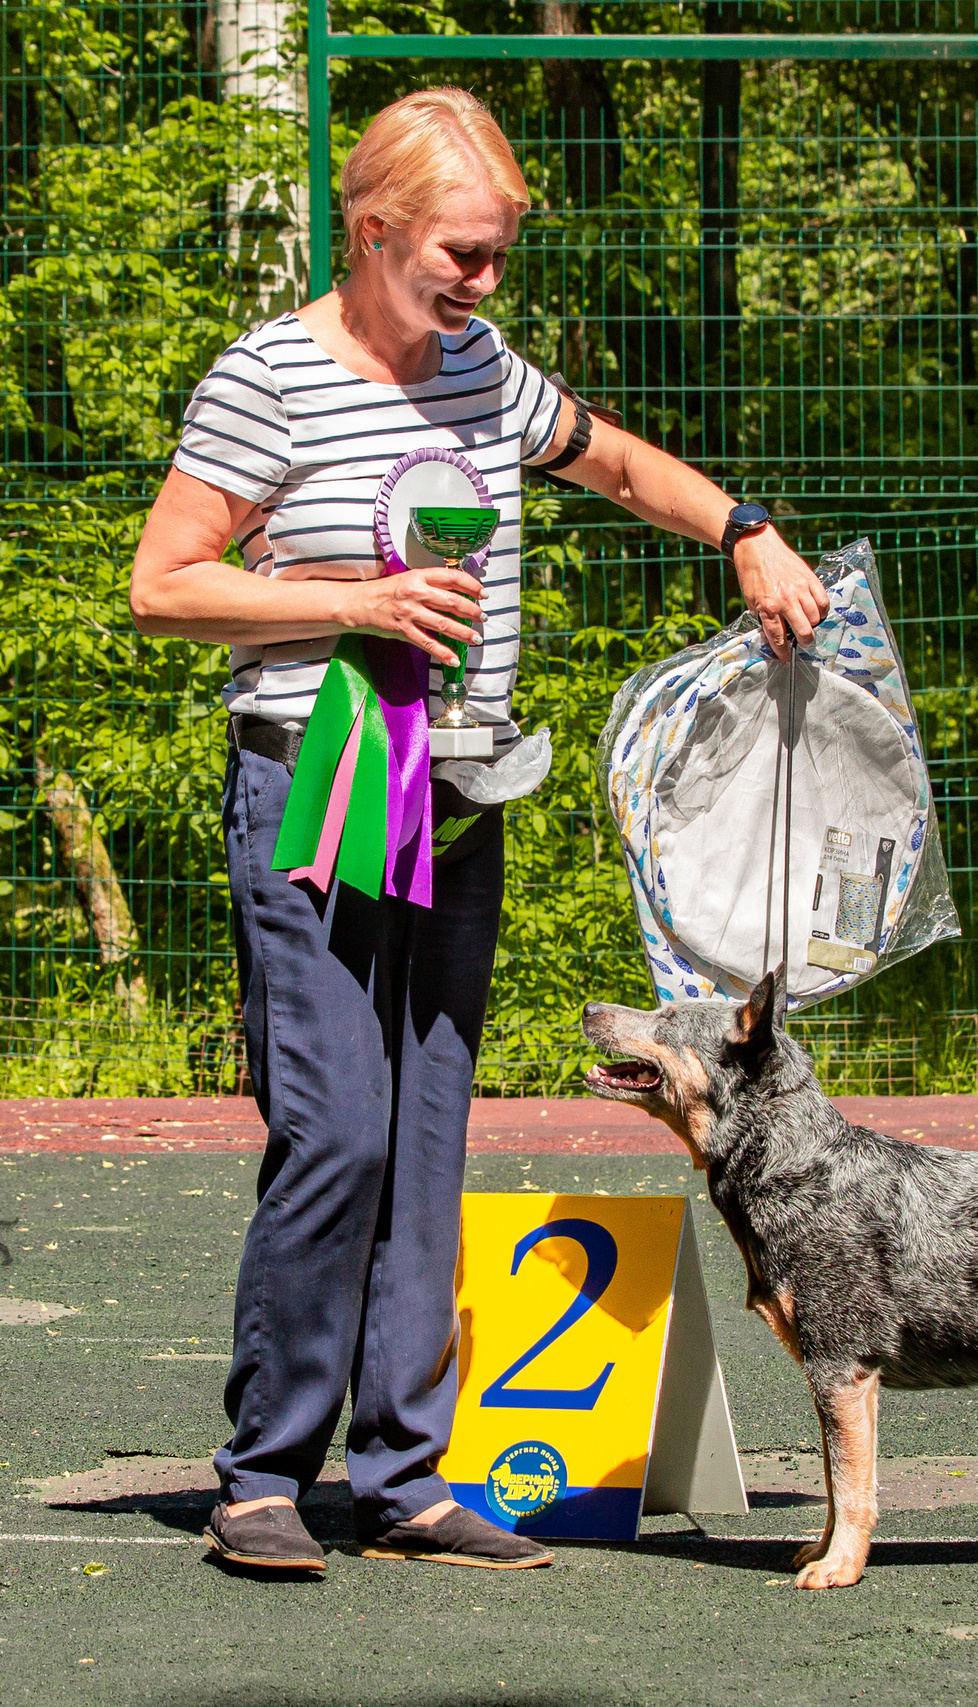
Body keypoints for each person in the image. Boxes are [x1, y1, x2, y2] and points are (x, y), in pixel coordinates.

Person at [128, 86, 827, 1573]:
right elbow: (165, 583)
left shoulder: (484, 369)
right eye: (463, 252)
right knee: (336, 1129)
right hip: (315, 791)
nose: (484, 281)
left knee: (428, 1137)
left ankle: (403, 1481)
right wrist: (354, 604)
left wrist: (747, 532)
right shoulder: (266, 377)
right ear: (375, 230)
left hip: (459, 802)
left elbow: (616, 462)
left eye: (499, 253)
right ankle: (262, 1475)